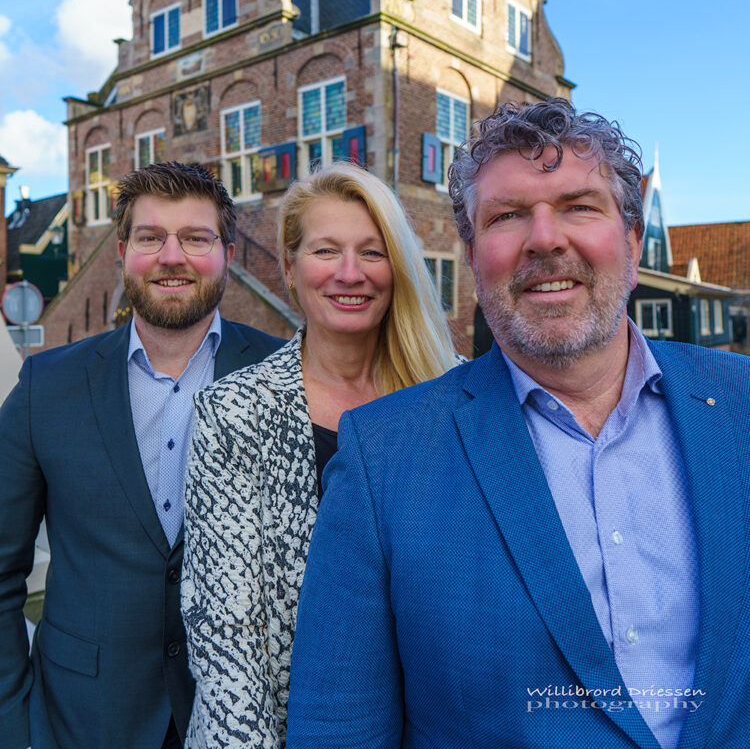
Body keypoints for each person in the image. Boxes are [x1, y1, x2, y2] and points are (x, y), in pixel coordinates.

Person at [286, 100, 750, 749]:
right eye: (506, 216)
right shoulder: (383, 455)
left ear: (632, 242)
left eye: (578, 206)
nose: (545, 239)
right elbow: (338, 726)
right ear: (473, 259)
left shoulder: (739, 402)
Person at [0, 161, 283, 749]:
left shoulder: (284, 375)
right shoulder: (45, 387)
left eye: (196, 238)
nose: (172, 257)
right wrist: (14, 724)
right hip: (81, 721)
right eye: (151, 237)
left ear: (228, 254)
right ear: (122, 252)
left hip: (242, 721)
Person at [181, 161, 459, 749]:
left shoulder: (458, 397)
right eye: (326, 250)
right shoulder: (234, 412)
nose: (349, 273)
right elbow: (227, 635)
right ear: (290, 267)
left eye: (372, 252)